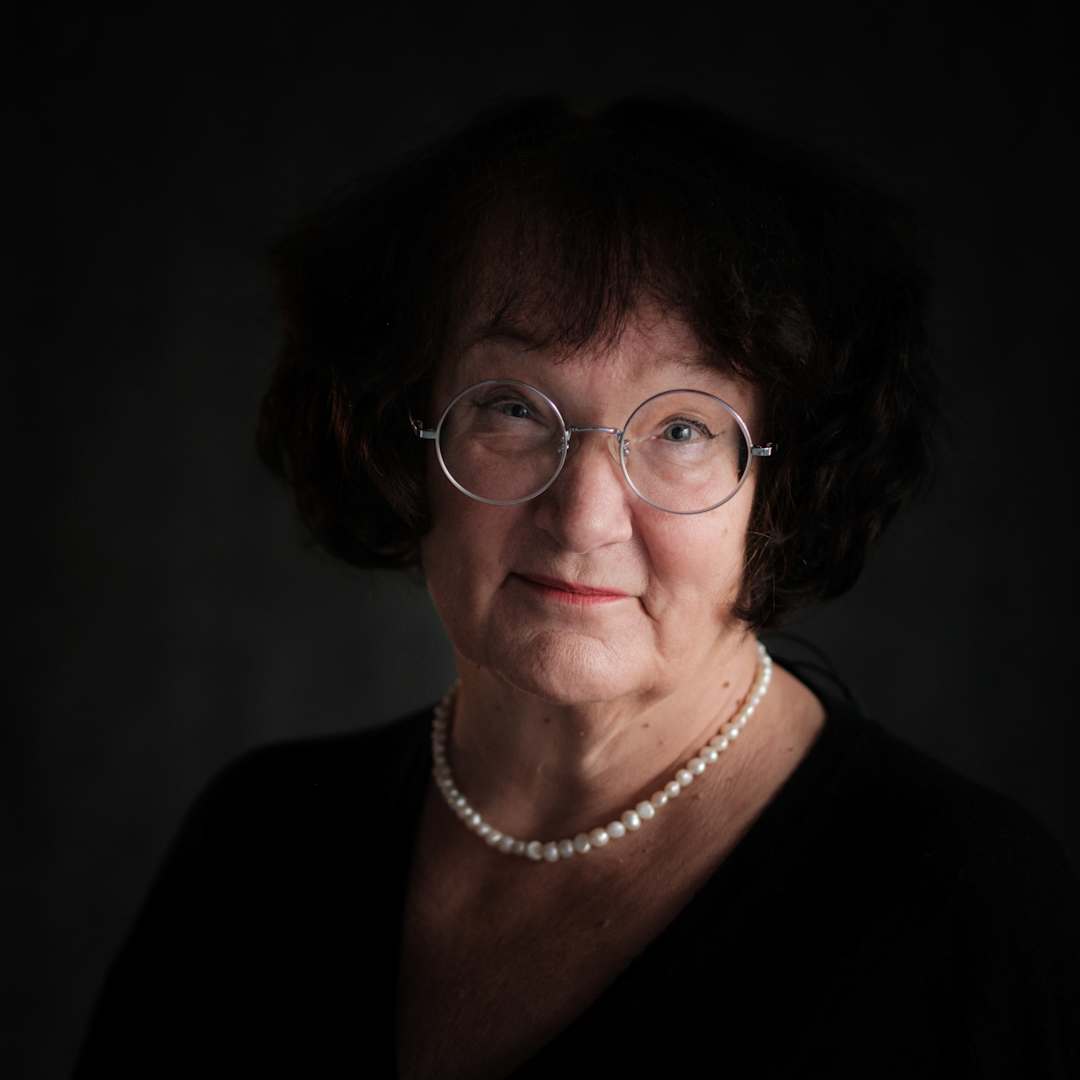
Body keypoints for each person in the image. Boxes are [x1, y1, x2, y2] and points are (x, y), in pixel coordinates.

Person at [74, 98, 1078, 1078]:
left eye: (681, 428)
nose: (584, 515)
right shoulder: (259, 844)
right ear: (399, 438)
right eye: (512, 408)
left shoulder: (975, 916)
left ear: (781, 485)